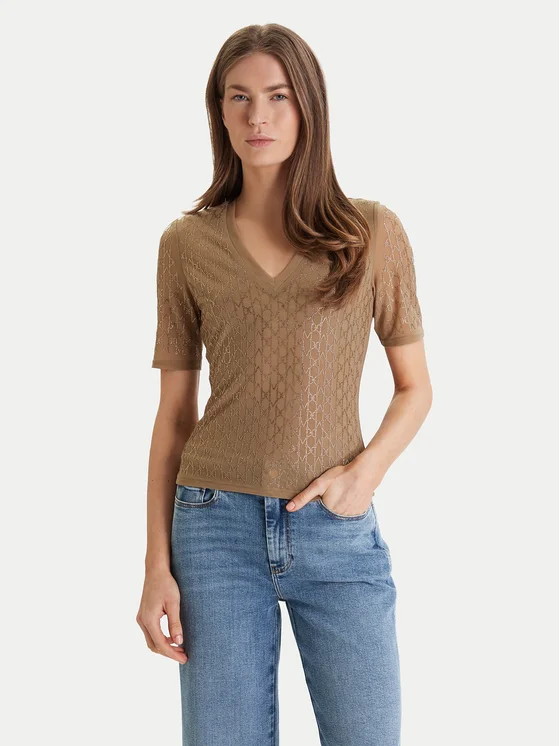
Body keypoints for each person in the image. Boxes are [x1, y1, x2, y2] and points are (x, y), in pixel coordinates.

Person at [137, 22, 432, 746]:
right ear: (219, 110)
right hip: (212, 528)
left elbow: (415, 388)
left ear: (308, 107)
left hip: (337, 528)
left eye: (277, 96)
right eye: (238, 97)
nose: (257, 116)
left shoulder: (370, 233)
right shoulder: (186, 244)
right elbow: (174, 415)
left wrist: (364, 474)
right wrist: (155, 567)